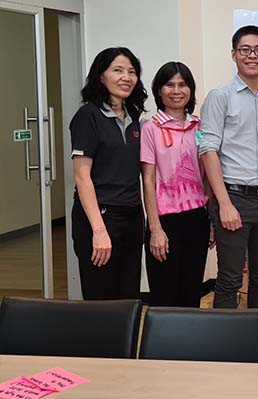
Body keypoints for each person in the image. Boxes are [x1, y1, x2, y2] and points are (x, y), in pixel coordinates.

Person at [198, 25, 258, 309]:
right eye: (245, 50)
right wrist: (224, 203)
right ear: (234, 55)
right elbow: (208, 150)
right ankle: (225, 346)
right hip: (235, 198)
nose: (252, 55)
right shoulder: (220, 97)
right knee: (229, 279)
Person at [70, 47, 147, 300]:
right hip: (100, 217)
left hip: (132, 216)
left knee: (128, 294)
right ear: (101, 76)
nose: (127, 77)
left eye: (132, 71)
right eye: (118, 70)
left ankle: (125, 341)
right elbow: (82, 177)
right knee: (101, 297)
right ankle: (99, 341)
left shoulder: (134, 116)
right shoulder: (88, 116)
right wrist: (99, 230)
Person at [140, 62, 211, 307]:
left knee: (192, 292)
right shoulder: (150, 128)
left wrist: (210, 220)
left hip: (197, 219)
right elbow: (148, 180)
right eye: (169, 84)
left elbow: (206, 176)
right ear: (159, 91)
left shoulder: (199, 127)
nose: (176, 90)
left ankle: (189, 345)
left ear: (190, 90)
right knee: (164, 293)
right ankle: (162, 345)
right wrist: (156, 229)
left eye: (182, 85)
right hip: (165, 221)